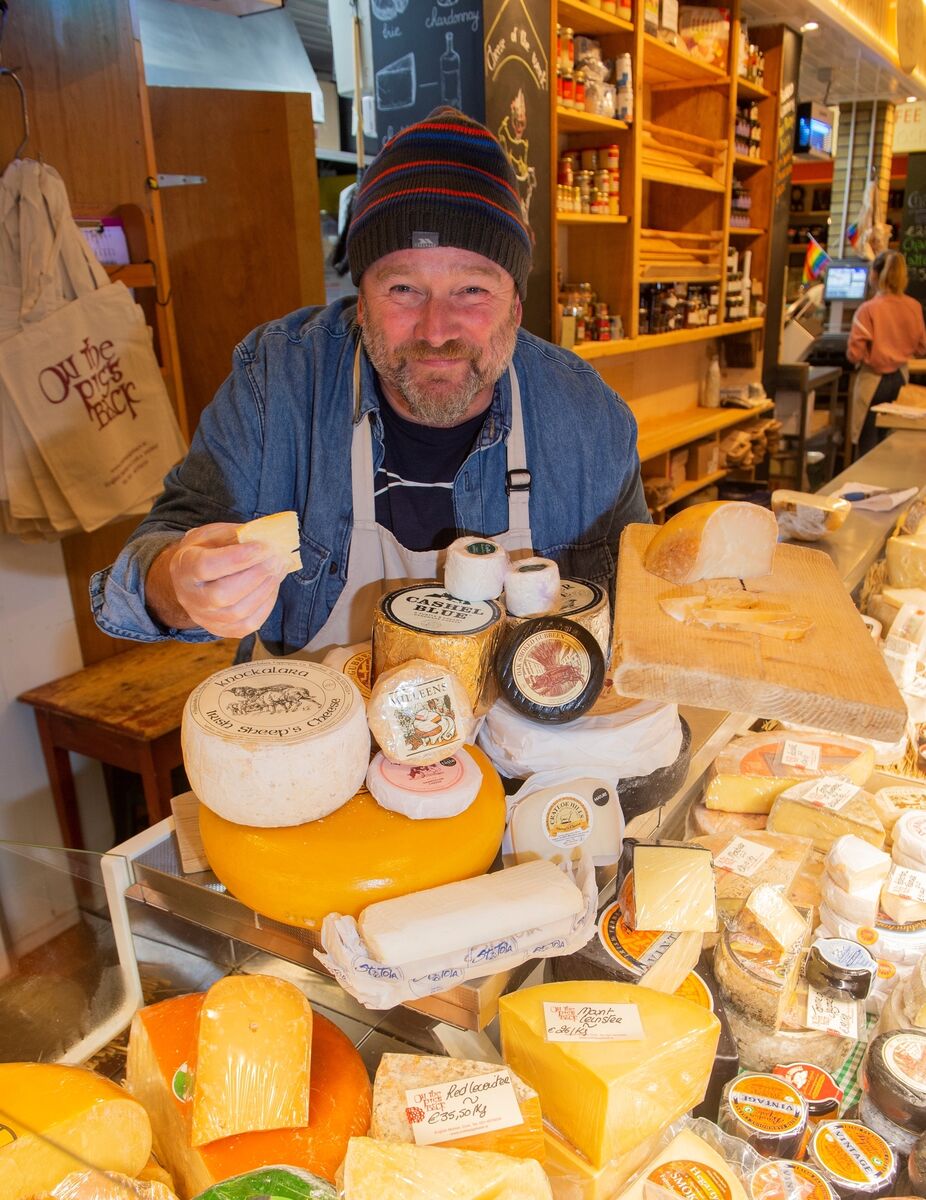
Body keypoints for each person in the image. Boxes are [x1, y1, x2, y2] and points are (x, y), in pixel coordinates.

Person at [90, 107, 649, 661]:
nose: (435, 332)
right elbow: (157, 554)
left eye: (472, 291)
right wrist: (181, 584)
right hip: (317, 737)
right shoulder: (279, 382)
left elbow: (641, 619)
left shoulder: (588, 418)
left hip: (517, 747)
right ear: (361, 301)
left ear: (517, 305)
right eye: (403, 289)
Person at [847, 250, 926, 455]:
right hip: (901, 378)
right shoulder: (914, 307)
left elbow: (854, 353)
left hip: (873, 380)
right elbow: (922, 347)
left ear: (875, 274)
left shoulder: (868, 310)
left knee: (868, 447)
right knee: (894, 445)